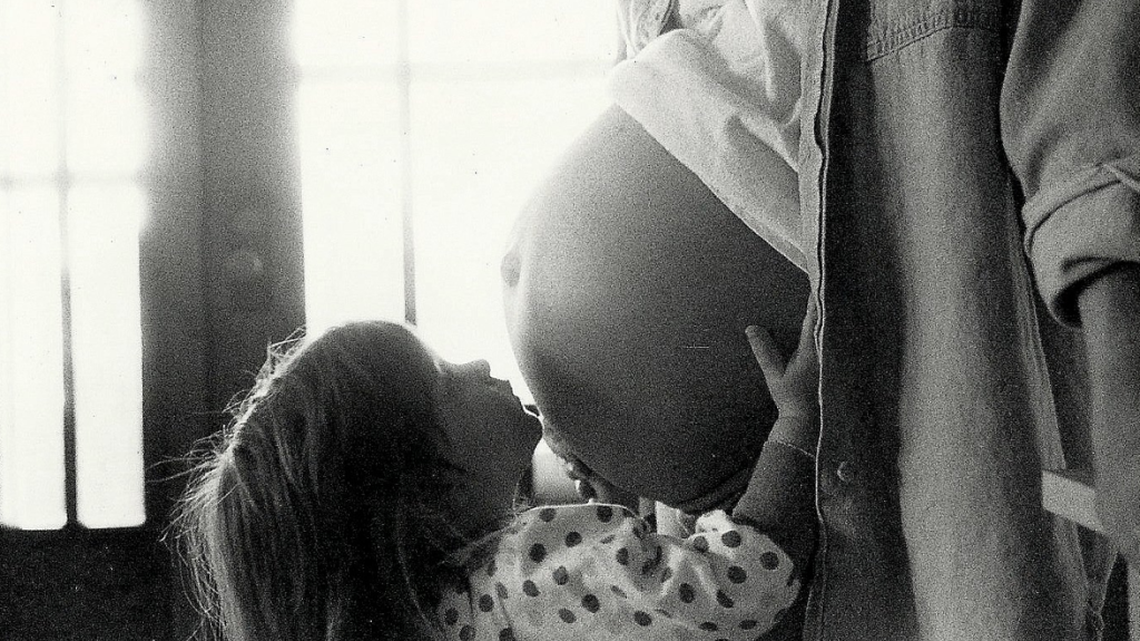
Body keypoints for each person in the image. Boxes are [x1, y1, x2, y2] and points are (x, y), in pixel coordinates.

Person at [505, 1, 1140, 640]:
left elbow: (1092, 99)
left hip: (890, 369)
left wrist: (1126, 374)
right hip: (723, 485)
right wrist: (594, 427)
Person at [173, 300, 820, 641]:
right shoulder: (522, 569)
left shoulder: (454, 615)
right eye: (446, 380)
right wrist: (798, 423)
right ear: (415, 485)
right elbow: (738, 584)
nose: (480, 364)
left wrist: (621, 509)